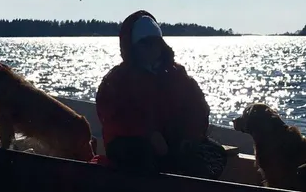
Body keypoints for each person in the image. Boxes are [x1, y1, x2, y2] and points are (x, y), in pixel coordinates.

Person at [95, 10, 226, 178]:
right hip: (134, 144)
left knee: (215, 154)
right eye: (145, 43)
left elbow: (197, 108)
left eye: (155, 42)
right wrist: (148, 134)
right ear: (134, 47)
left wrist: (189, 136)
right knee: (142, 159)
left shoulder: (176, 74)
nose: (152, 47)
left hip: (172, 141)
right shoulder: (117, 79)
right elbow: (113, 117)